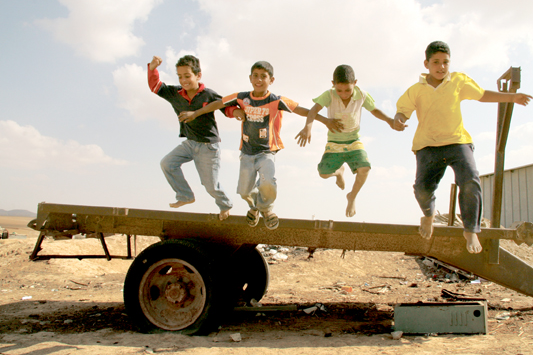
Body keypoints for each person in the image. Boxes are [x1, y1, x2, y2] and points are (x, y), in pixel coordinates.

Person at [393, 41, 533, 253]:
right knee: (422, 189)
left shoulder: (458, 81)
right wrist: (399, 120)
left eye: (445, 62)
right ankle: (428, 216)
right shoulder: (416, 90)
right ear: (426, 64)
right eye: (436, 62)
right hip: (428, 146)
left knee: (469, 179)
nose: (441, 67)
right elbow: (402, 111)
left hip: (458, 142)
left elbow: (482, 95)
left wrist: (511, 97)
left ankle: (470, 230)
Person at [179, 61, 341, 230]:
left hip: (267, 152)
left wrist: (325, 121)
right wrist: (195, 113)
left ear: (271, 80)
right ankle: (254, 206)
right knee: (243, 191)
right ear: (250, 78)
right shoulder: (242, 97)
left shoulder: (276, 100)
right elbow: (218, 104)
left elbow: (301, 110)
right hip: (247, 153)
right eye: (255, 76)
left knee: (268, 182)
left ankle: (267, 209)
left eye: (263, 76)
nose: (259, 79)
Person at [148, 55, 244, 220]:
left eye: (187, 76)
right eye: (180, 76)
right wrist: (152, 69)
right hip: (190, 143)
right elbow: (155, 86)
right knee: (167, 163)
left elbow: (225, 107)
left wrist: (236, 113)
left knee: (210, 186)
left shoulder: (208, 94)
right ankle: (185, 195)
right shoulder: (174, 93)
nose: (183, 80)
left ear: (198, 75)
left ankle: (225, 204)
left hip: (208, 146)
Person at [296, 64, 397, 217]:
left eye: (348, 90)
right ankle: (338, 173)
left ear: (355, 83)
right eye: (339, 90)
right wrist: (308, 127)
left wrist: (389, 120)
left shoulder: (362, 95)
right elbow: (313, 110)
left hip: (353, 140)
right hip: (334, 143)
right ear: (333, 84)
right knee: (323, 173)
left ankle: (352, 196)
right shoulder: (329, 95)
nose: (343, 94)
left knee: (365, 168)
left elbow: (374, 110)